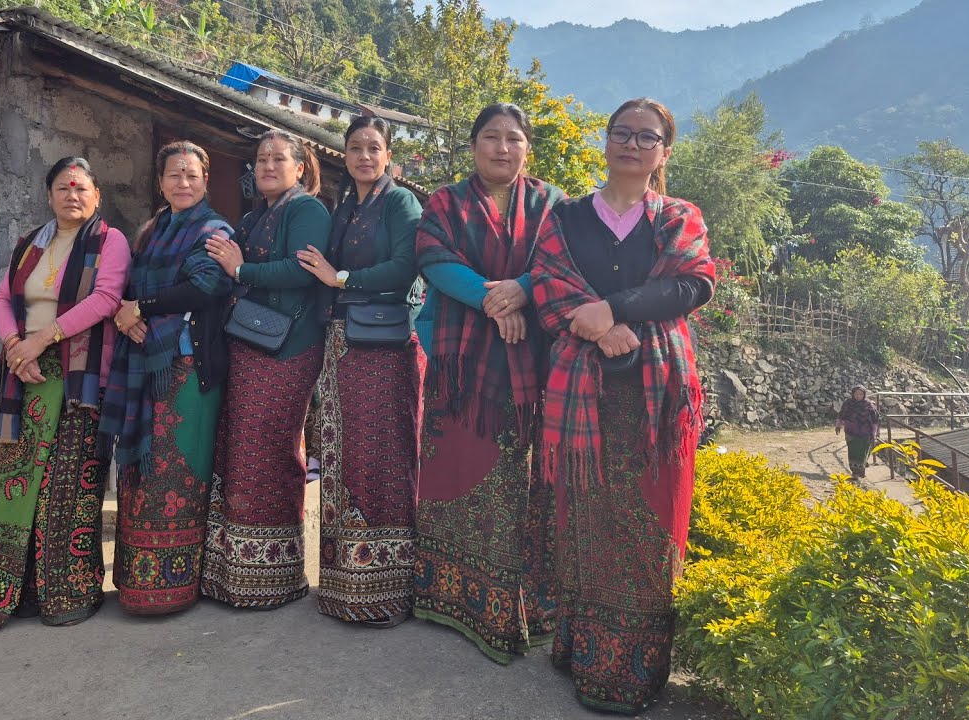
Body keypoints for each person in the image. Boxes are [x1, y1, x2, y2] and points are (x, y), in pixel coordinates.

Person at [532, 97, 715, 713]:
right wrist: (598, 328)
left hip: (653, 401)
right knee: (583, 524)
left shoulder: (677, 217)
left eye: (647, 136)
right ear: (605, 142)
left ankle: (631, 671)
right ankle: (579, 650)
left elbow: (693, 284)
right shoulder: (568, 216)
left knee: (645, 527)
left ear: (664, 151)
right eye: (621, 133)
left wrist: (615, 309)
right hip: (581, 397)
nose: (632, 144)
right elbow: (549, 285)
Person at [412, 104, 565, 658]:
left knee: (526, 483)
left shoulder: (553, 205)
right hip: (463, 368)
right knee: (457, 467)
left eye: (514, 139)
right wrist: (492, 300)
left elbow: (561, 264)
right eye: (491, 137)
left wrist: (522, 289)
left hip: (534, 365)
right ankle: (451, 595)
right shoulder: (445, 203)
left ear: (528, 148)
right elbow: (434, 258)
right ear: (473, 144)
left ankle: (526, 601)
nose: (502, 148)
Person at [0, 157, 130, 631]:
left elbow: (105, 299)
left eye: (81, 187)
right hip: (24, 375)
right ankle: (11, 595)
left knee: (68, 486)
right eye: (63, 188)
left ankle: (68, 595)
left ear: (96, 195)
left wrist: (42, 339)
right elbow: (4, 299)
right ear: (50, 196)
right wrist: (14, 347)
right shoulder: (30, 245)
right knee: (18, 485)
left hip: (79, 376)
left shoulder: (110, 241)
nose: (72, 195)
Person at [295, 116, 426, 626]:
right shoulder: (344, 206)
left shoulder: (400, 202)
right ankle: (345, 583)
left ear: (388, 155)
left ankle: (389, 589)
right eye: (355, 148)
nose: (364, 156)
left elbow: (405, 264)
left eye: (374, 148)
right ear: (345, 156)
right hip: (341, 342)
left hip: (385, 347)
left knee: (385, 456)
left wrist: (341, 277)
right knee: (343, 458)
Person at [99, 142, 235, 615]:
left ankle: (173, 586)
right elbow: (130, 288)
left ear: (205, 180)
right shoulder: (151, 231)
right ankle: (137, 584)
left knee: (178, 470)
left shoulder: (213, 230)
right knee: (142, 475)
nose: (183, 182)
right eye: (174, 175)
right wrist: (126, 312)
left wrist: (144, 309)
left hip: (185, 366)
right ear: (160, 183)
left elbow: (205, 286)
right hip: (144, 363)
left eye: (192, 175)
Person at [201, 131, 332, 609]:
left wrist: (242, 272)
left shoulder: (307, 210)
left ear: (301, 168)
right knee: (240, 450)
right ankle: (236, 572)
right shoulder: (256, 216)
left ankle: (273, 577)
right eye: (261, 159)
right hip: (248, 344)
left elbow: (301, 271)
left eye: (280, 159)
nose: (269, 165)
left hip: (287, 349)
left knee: (271, 449)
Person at [836, 384, 880, 478]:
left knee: (863, 452)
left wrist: (874, 433)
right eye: (856, 394)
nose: (858, 396)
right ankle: (855, 473)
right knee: (853, 452)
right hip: (851, 432)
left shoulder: (869, 405)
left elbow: (875, 420)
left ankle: (861, 468)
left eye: (861, 394)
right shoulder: (848, 403)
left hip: (865, 433)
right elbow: (841, 415)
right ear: (853, 394)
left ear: (864, 394)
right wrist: (838, 425)